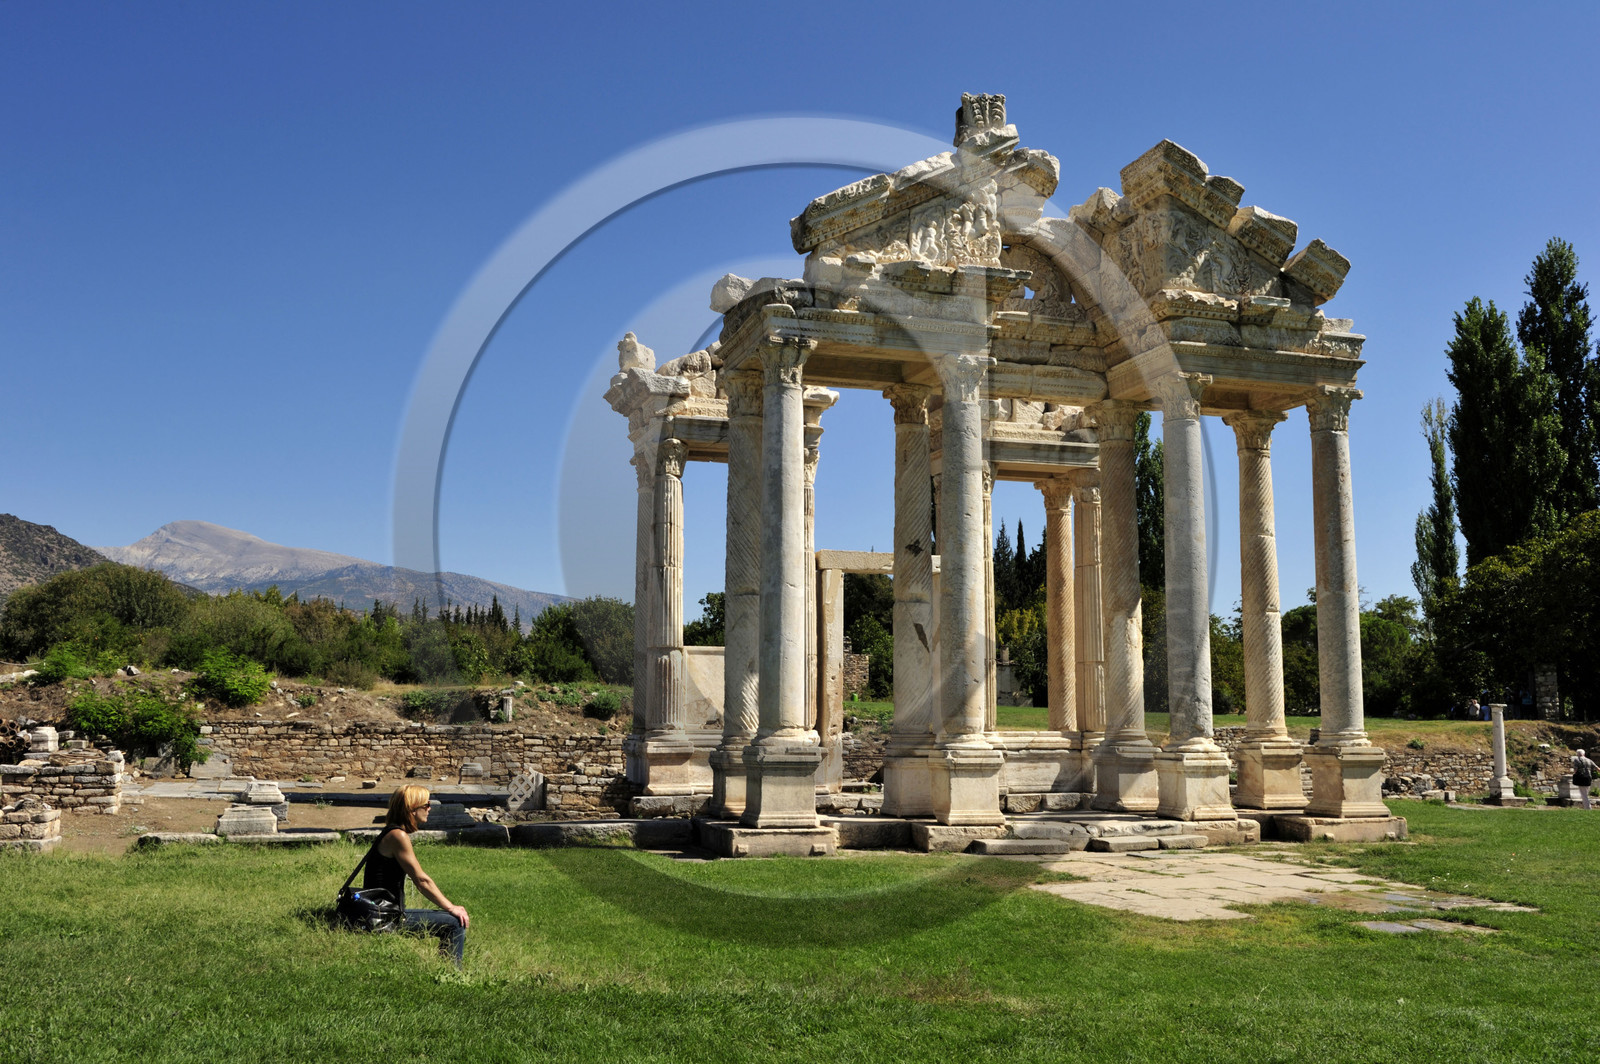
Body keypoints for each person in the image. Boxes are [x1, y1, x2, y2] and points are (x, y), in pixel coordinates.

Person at [366, 784, 470, 965]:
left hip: (380, 910)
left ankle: (447, 971)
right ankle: (452, 974)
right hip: (384, 916)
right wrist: (451, 907)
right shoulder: (398, 836)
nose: (429, 808)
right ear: (412, 809)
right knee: (454, 922)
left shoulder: (391, 831)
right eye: (426, 804)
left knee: (450, 920)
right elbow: (422, 880)